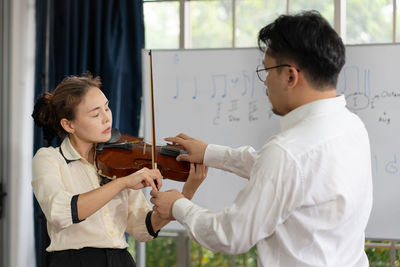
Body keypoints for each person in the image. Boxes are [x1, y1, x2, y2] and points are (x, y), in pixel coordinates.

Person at [150, 11, 373, 267]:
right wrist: (209, 152)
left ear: (291, 76)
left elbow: (231, 234)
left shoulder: (287, 153)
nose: (265, 81)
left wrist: (178, 206)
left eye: (267, 70)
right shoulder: (351, 126)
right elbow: (287, 177)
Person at [31, 73, 208, 267]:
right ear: (69, 124)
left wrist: (187, 193)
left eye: (107, 107)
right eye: (96, 114)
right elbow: (60, 212)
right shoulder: (49, 158)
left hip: (120, 260)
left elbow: (143, 228)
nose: (107, 118)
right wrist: (122, 182)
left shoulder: (120, 162)